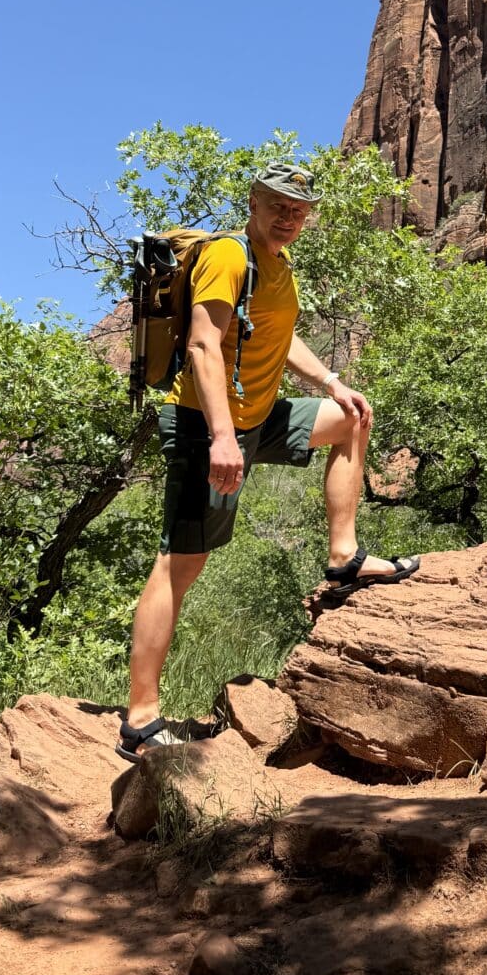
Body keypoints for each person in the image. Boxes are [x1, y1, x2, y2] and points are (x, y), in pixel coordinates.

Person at [117, 160, 420, 761]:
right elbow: (204, 345)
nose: (289, 217)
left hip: (257, 419)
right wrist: (224, 439)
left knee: (353, 418)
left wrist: (331, 380)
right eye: (279, 205)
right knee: (181, 563)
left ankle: (344, 556)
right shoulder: (231, 256)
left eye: (299, 210)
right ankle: (140, 718)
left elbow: (278, 338)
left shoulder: (277, 266)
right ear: (254, 201)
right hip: (209, 425)